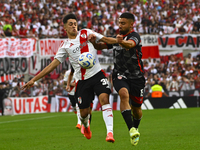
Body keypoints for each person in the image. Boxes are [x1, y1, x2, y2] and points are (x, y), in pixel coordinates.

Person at [21, 13, 118, 142]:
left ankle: (110, 133)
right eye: (70, 24)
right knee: (84, 114)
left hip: (97, 74)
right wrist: (34, 79)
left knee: (104, 98)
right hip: (82, 81)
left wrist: (119, 41)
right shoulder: (65, 46)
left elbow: (105, 39)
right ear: (65, 28)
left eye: (75, 23)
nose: (74, 26)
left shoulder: (86, 33)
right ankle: (86, 126)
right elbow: (52, 66)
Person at [89, 12, 145, 146]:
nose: (120, 25)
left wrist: (117, 41)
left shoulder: (135, 36)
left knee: (137, 110)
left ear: (131, 24)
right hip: (120, 74)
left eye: (123, 23)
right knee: (123, 94)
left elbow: (129, 45)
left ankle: (135, 127)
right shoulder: (116, 38)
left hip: (137, 77)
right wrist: (94, 41)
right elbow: (100, 46)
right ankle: (131, 129)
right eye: (119, 23)